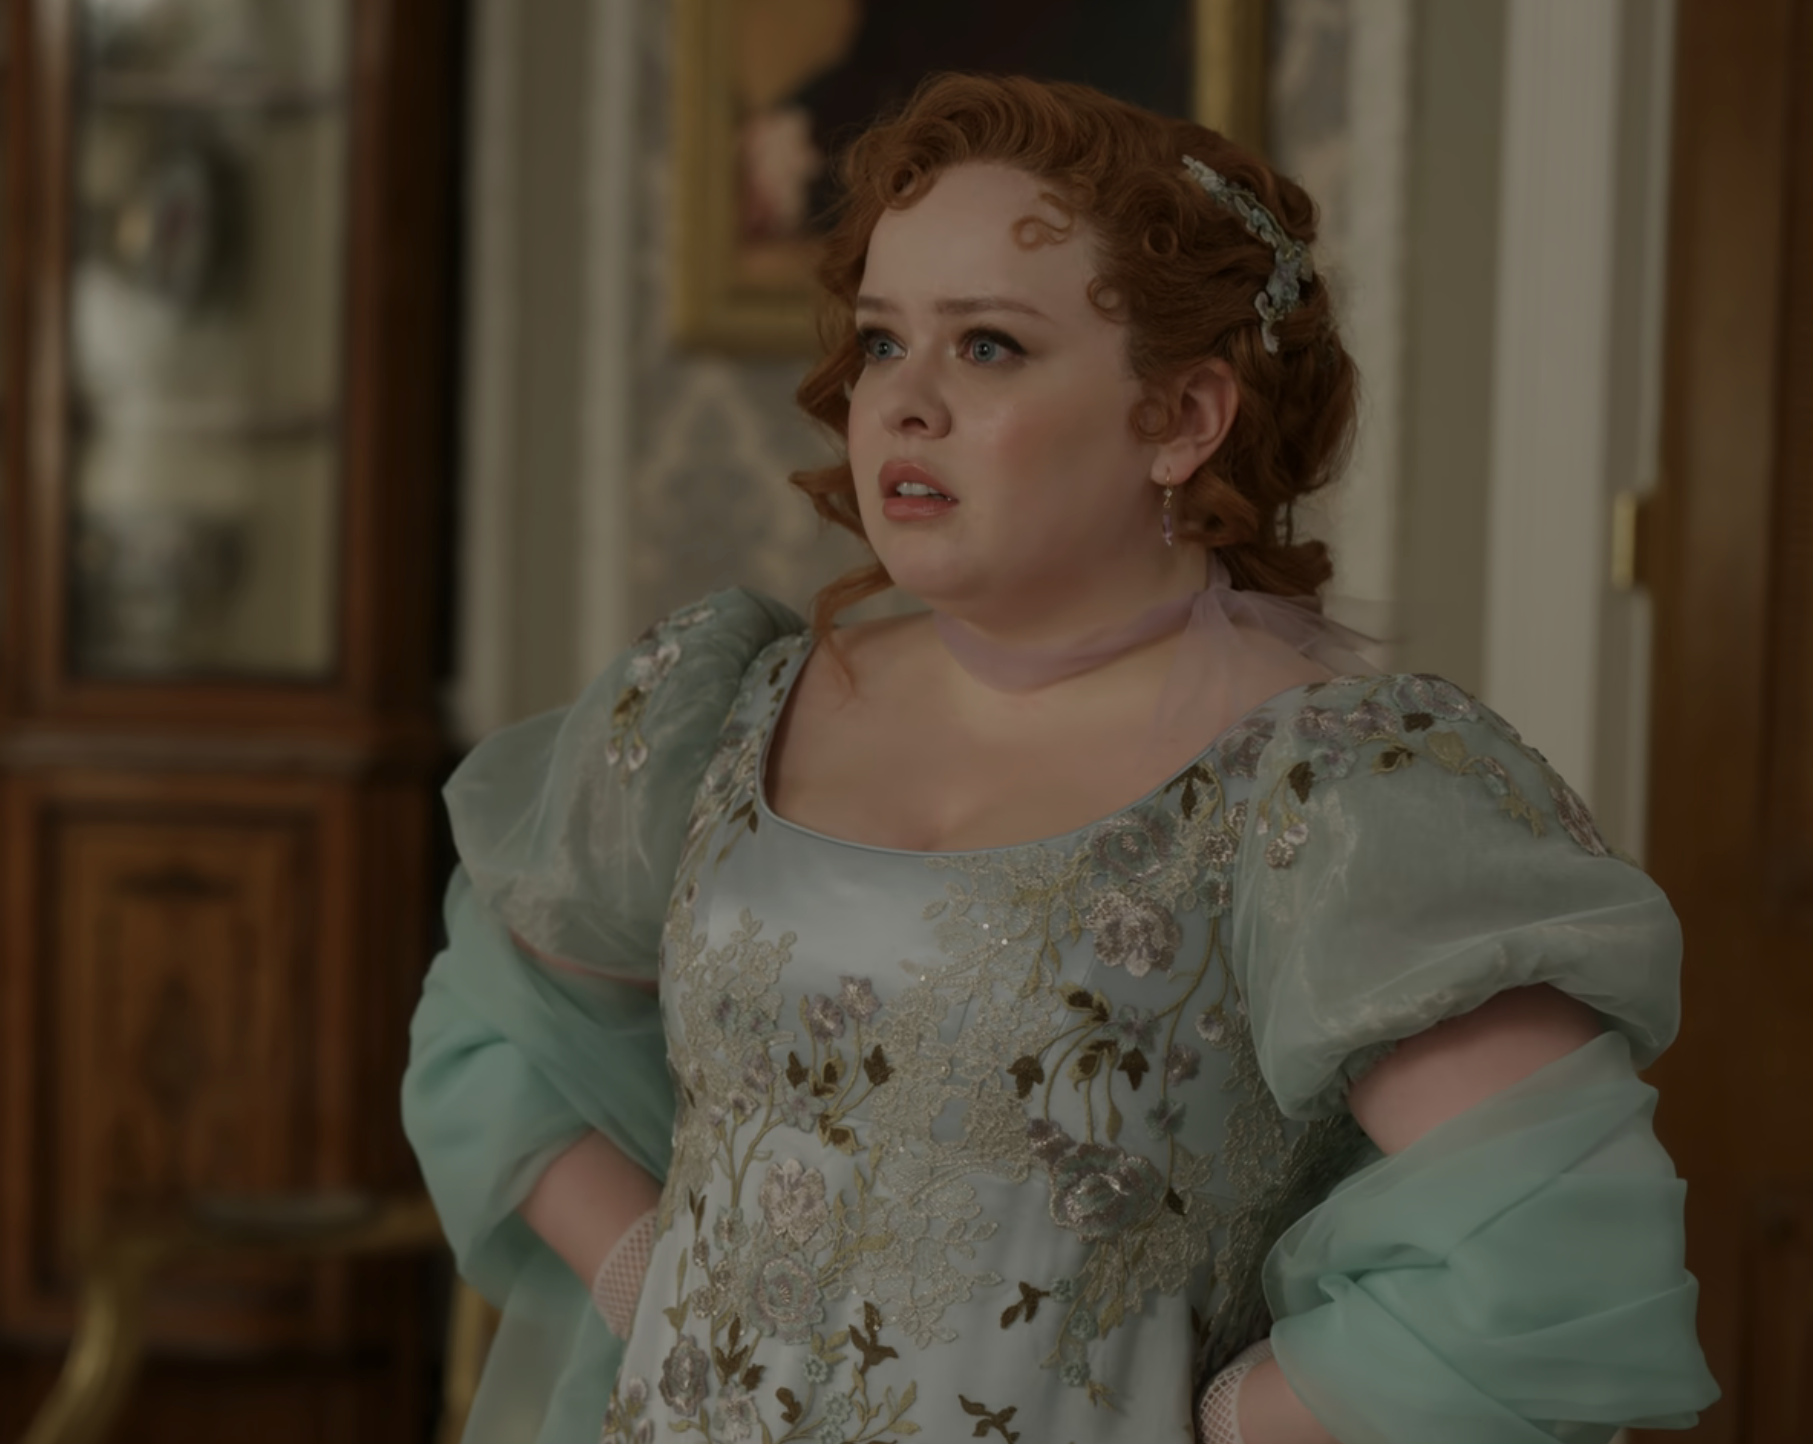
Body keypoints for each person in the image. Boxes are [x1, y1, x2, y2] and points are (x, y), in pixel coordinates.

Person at [404, 73, 1719, 1444]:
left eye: (985, 347)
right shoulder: (720, 700)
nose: (901, 405)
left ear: (1180, 419)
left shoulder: (1332, 787)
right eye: (878, 342)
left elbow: (1549, 1264)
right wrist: (641, 1272)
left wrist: (1211, 1418)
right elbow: (496, 1035)